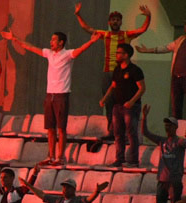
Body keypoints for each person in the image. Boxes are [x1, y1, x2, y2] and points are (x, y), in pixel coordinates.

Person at [1, 29, 100, 165]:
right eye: (51, 39)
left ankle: (60, 157)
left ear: (61, 42)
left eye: (54, 40)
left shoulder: (67, 54)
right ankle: (51, 156)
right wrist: (14, 38)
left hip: (61, 95)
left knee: (61, 128)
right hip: (50, 95)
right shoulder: (49, 53)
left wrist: (91, 41)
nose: (51, 42)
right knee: (50, 128)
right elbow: (30, 47)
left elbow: (80, 50)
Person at [74, 3, 151, 133]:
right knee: (110, 103)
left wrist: (148, 17)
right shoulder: (105, 34)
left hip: (123, 74)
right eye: (113, 20)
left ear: (120, 22)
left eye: (117, 20)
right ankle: (112, 130)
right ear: (109, 22)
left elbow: (142, 29)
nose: (115, 22)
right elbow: (87, 28)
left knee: (123, 101)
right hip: (108, 72)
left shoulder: (126, 34)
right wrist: (78, 15)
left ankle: (125, 132)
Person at [140, 107, 186, 203]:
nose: (167, 127)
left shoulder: (179, 142)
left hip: (174, 182)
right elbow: (145, 133)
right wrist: (145, 117)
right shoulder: (162, 141)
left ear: (175, 127)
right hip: (162, 181)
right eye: (166, 125)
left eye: (170, 125)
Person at [102, 42, 149, 164]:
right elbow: (113, 86)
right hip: (117, 106)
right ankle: (119, 158)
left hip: (130, 107)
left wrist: (132, 101)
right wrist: (105, 99)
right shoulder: (117, 70)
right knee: (118, 133)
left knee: (131, 133)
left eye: (119, 53)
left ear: (126, 55)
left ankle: (133, 160)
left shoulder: (135, 70)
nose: (116, 55)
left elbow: (142, 88)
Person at [136, 22, 186, 119]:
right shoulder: (181, 40)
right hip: (176, 77)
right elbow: (166, 48)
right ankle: (176, 129)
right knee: (176, 107)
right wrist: (148, 50)